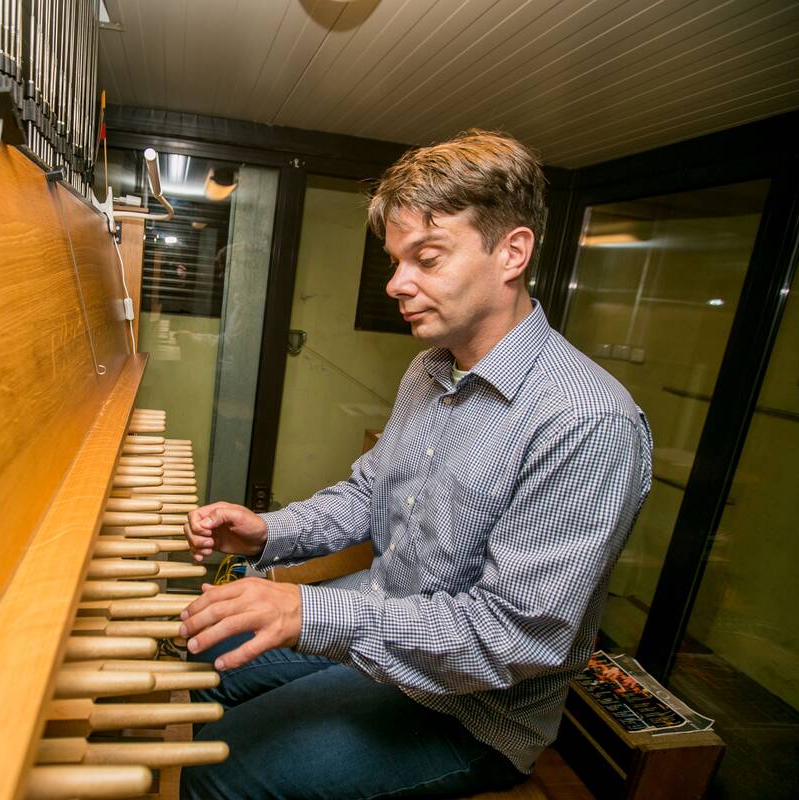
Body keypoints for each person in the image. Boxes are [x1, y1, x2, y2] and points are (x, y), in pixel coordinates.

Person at [177, 130, 653, 799]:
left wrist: (310, 612)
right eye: (397, 261)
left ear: (512, 252)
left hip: (469, 711)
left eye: (426, 258)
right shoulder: (428, 371)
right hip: (387, 630)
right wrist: (269, 531)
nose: (397, 284)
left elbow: (511, 639)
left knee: (215, 776)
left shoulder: (587, 420)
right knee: (202, 662)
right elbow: (369, 492)